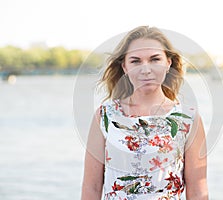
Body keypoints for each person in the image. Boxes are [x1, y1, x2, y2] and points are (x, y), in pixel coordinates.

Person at [81, 26, 208, 200]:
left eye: (155, 59)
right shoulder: (105, 116)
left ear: (168, 63)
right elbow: (91, 188)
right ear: (124, 67)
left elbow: (198, 190)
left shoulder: (188, 119)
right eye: (135, 61)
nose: (146, 69)